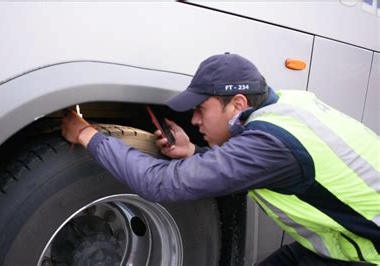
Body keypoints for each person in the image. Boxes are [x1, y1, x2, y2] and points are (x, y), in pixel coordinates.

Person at [61, 53, 379, 265]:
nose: (195, 121)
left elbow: (159, 183)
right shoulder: (285, 107)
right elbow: (253, 164)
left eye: (201, 109)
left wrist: (86, 134)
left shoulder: (272, 144)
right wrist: (194, 153)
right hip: (340, 243)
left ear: (238, 103)